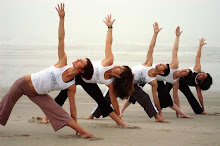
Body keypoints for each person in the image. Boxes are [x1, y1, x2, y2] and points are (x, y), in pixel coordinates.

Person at [0, 3, 99, 139]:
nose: (78, 60)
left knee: (57, 111)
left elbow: (73, 108)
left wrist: (76, 123)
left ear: (82, 71)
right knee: (5, 105)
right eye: (80, 59)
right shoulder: (62, 62)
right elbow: (61, 39)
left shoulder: (71, 86)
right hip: (23, 83)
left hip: (38, 94)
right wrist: (62, 19)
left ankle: (83, 132)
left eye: (81, 62)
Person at [42, 14, 134, 127]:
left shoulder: (110, 84)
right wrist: (110, 28)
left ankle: (120, 122)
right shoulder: (109, 61)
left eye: (120, 69)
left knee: (101, 101)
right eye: (120, 66)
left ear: (119, 76)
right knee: (63, 95)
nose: (117, 66)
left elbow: (113, 101)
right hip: (78, 75)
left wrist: (119, 115)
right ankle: (46, 117)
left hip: (89, 83)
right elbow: (108, 44)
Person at [88, 22, 169, 123]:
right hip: (118, 79)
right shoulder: (148, 64)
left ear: (161, 72)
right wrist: (155, 33)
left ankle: (157, 117)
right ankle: (92, 115)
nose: (160, 64)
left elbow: (155, 97)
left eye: (163, 66)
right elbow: (151, 48)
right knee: (107, 98)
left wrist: (159, 112)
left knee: (145, 97)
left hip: (131, 85)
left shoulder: (153, 81)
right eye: (162, 64)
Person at [155, 26, 191, 118]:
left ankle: (178, 113)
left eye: (185, 72)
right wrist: (177, 36)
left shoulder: (175, 82)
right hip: (151, 73)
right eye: (185, 69)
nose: (183, 70)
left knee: (164, 95)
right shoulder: (174, 65)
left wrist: (178, 109)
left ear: (183, 77)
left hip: (155, 80)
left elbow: (176, 97)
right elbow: (175, 50)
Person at [178, 38, 213, 114]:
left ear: (202, 81)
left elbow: (199, 96)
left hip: (182, 84)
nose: (201, 74)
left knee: (190, 96)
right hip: (178, 76)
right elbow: (198, 57)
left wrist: (202, 107)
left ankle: (199, 111)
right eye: (203, 73)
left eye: (203, 76)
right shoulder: (197, 69)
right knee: (165, 90)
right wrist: (200, 46)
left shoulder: (198, 85)